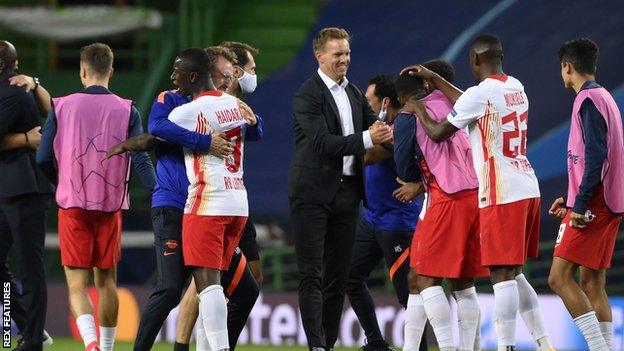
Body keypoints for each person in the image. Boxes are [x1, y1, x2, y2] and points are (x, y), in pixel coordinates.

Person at [401, 34, 553, 351]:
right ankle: (543, 341)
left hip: (501, 190)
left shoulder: (480, 94)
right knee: (515, 272)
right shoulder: (516, 87)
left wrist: (418, 108)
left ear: (474, 60)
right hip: (527, 183)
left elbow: (439, 131)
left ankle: (506, 346)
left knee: (502, 274)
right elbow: (469, 100)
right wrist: (436, 79)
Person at [109, 47, 260, 351]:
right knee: (173, 289)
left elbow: (256, 129)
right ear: (208, 72)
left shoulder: (213, 105)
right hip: (178, 204)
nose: (229, 75)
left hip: (206, 205)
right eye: (225, 70)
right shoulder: (172, 99)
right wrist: (204, 142)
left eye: (230, 71)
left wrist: (255, 121)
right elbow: (156, 131)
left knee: (235, 288)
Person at [36, 43, 156, 351]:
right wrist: (157, 190)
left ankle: (91, 345)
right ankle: (107, 347)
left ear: (82, 71)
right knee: (107, 283)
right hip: (109, 206)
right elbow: (140, 158)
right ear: (111, 71)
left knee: (77, 286)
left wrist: (61, 182)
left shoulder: (60, 106)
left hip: (72, 206)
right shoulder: (128, 109)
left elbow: (42, 158)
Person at [289, 27, 393, 351]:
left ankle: (328, 344)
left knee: (337, 278)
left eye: (347, 53)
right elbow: (322, 143)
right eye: (338, 54)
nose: (344, 59)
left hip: (347, 194)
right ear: (319, 56)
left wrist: (383, 132)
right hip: (312, 195)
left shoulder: (353, 93)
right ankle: (316, 346)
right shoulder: (308, 94)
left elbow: (374, 124)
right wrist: (370, 138)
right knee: (312, 274)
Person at [166, 47, 261, 351]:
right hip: (238, 203)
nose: (172, 77)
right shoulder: (237, 105)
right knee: (216, 283)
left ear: (193, 76)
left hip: (207, 203)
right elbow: (256, 127)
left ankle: (218, 349)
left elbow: (158, 129)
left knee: (207, 286)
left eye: (177, 72)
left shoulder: (185, 112)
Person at [394, 60, 489, 351]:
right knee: (462, 281)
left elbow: (402, 163)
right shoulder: (455, 101)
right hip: (477, 196)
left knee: (424, 278)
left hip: (446, 198)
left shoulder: (408, 115)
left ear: (401, 99)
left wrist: (412, 178)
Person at [547, 37, 624, 351]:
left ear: (567, 66)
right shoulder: (604, 96)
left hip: (594, 204)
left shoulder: (587, 100)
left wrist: (579, 203)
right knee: (593, 283)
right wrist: (571, 197)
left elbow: (595, 155)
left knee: (558, 278)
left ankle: (600, 348)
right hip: (609, 200)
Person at [345, 74, 424, 351]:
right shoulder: (377, 128)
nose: (365, 105)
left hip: (396, 222)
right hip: (371, 218)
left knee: (409, 295)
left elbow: (367, 156)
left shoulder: (400, 128)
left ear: (385, 102)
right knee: (350, 277)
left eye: (369, 100)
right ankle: (376, 343)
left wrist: (357, 138)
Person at [0, 40, 54, 351]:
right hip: (8, 188)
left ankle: (33, 340)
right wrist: (22, 139)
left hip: (23, 188)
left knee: (30, 266)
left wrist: (19, 139)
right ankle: (31, 327)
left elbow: (51, 109)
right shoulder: (14, 89)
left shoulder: (13, 92)